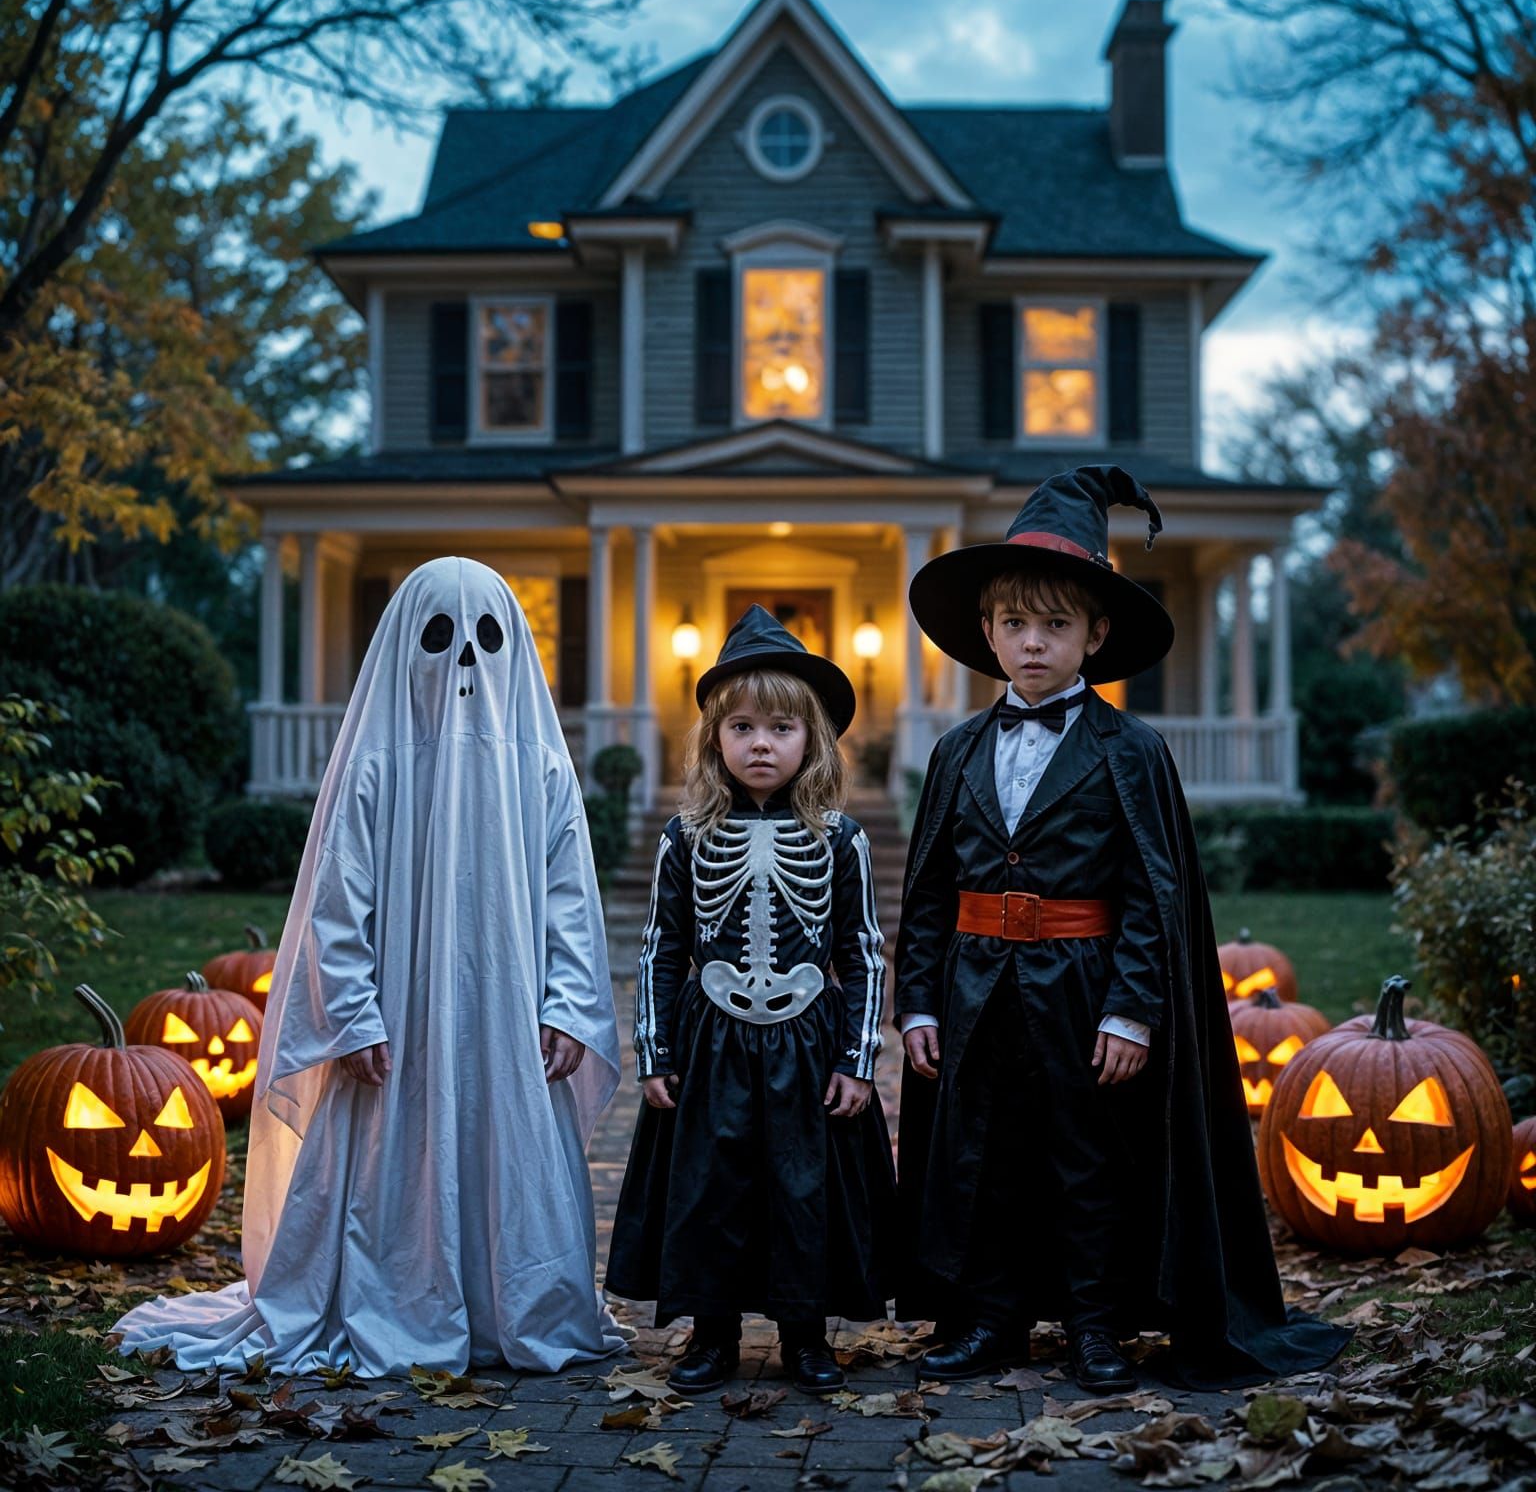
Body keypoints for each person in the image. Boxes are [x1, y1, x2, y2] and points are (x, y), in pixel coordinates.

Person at [113, 558, 625, 1376]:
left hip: (509, 1018)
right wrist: (349, 1012)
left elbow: (571, 900)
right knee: (395, 1161)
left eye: (485, 638)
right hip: (399, 1021)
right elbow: (337, 906)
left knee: (508, 1157)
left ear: (515, 648)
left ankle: (506, 1309)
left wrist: (567, 1002)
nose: (463, 659)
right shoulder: (376, 765)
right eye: (439, 636)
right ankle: (399, 1300)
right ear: (401, 648)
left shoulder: (544, 769)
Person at [896, 466, 1347, 1390]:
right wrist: (915, 1005)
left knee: (1087, 1158)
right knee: (987, 1156)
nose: (1033, 642)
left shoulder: (1131, 751)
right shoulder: (954, 752)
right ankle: (992, 1319)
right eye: (1015, 624)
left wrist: (1132, 1009)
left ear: (1096, 636)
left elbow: (1155, 896)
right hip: (975, 987)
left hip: (1084, 986)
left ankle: (1097, 1325)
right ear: (985, 631)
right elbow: (928, 891)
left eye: (1056, 625)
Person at [606, 605, 895, 1396]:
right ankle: (712, 1333)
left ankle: (806, 1335)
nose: (760, 743)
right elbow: (662, 948)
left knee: (804, 1189)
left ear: (812, 742)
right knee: (710, 1189)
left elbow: (863, 952)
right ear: (714, 740)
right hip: (711, 1043)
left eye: (779, 728)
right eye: (740, 727)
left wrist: (859, 1060)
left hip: (808, 1043)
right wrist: (656, 1054)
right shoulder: (684, 835)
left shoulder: (842, 839)